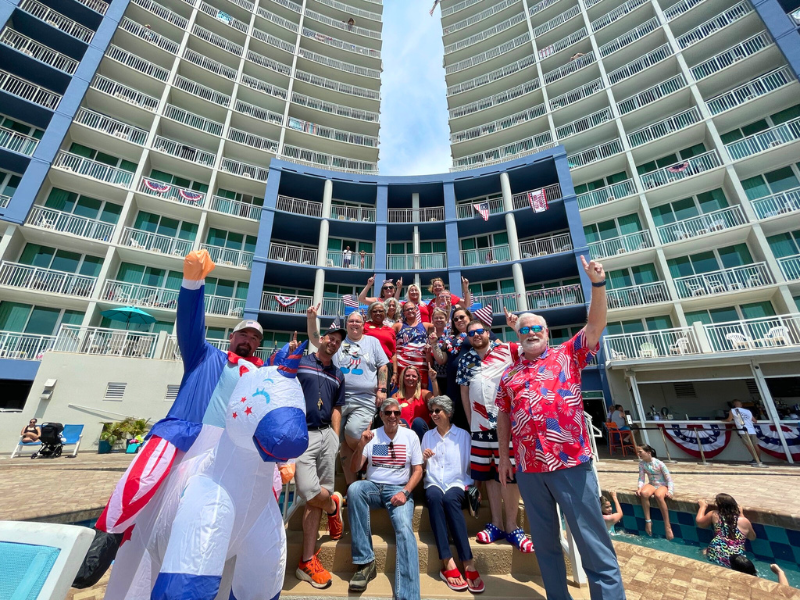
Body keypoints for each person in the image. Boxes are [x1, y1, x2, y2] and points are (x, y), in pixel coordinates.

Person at [86, 250, 272, 583]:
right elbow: (189, 321)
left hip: (227, 452)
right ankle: (107, 540)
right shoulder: (205, 355)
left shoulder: (260, 376)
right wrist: (193, 282)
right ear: (232, 336)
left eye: (255, 337)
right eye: (243, 333)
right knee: (144, 484)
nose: (248, 339)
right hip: (186, 437)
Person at [497, 255, 627, 599]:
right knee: (545, 546)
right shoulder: (509, 374)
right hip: (529, 469)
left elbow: (595, 326)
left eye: (536, 328)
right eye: (523, 329)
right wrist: (505, 458)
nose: (530, 333)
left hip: (571, 464)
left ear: (547, 332)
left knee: (593, 544)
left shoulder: (567, 354)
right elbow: (504, 416)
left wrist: (597, 285)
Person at [457, 319, 531, 553]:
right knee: (489, 475)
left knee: (508, 475)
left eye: (480, 331)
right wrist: (471, 424)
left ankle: (512, 526)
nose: (476, 335)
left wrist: (516, 327)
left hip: (505, 425)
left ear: (488, 332)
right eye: (471, 333)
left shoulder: (507, 350)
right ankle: (497, 524)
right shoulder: (465, 359)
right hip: (479, 428)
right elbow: (464, 391)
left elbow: (530, 347)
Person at [348, 399, 423, 599]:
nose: (392, 416)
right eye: (388, 413)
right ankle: (365, 562)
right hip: (373, 487)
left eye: (396, 413)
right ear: (381, 415)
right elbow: (355, 468)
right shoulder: (372, 437)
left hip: (398, 489)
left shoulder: (410, 436)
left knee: (405, 529)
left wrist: (406, 492)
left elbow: (418, 470)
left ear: (400, 416)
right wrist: (361, 444)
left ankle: (407, 595)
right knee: (355, 488)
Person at [307, 306, 388, 486]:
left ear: (363, 324)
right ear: (347, 324)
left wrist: (382, 389)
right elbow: (314, 338)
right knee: (335, 440)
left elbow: (383, 366)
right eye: (351, 321)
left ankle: (366, 462)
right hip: (337, 398)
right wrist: (312, 319)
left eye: (358, 321)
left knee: (352, 432)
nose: (354, 324)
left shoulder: (372, 342)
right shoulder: (338, 342)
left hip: (364, 399)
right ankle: (353, 486)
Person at [294, 325, 347, 589]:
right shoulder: (301, 362)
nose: (333, 343)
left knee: (318, 494)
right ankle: (333, 507)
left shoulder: (338, 374)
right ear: (321, 338)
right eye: (331, 338)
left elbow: (337, 407)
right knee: (308, 490)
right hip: (303, 433)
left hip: (327, 433)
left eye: (338, 342)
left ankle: (306, 561)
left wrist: (336, 437)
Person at [421, 395, 484, 593]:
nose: (433, 414)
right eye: (432, 411)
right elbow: (420, 468)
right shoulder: (427, 436)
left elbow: (472, 466)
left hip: (457, 483)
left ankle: (468, 562)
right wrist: (423, 459)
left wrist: (476, 489)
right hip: (433, 482)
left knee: (449, 499)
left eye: (438, 411)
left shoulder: (463, 436)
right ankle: (447, 561)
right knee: (434, 497)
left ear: (448, 413)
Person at [696, 494, 755, 568]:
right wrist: (742, 515)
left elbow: (700, 523)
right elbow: (752, 537)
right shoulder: (744, 521)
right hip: (736, 559)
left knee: (704, 551)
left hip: (715, 551)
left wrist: (702, 507)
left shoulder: (714, 514)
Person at [636, 444, 675, 539]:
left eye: (640, 452)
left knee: (658, 495)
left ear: (648, 453)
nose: (638, 454)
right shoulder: (642, 464)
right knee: (644, 493)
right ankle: (648, 521)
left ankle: (667, 526)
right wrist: (639, 488)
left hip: (662, 484)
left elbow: (669, 479)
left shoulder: (659, 463)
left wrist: (670, 491)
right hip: (652, 484)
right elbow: (641, 478)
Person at [393, 301, 434, 389]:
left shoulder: (426, 326)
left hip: (421, 366)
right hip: (403, 366)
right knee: (403, 394)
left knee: (421, 394)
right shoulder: (398, 326)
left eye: (412, 308)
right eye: (407, 309)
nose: (410, 311)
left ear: (416, 310)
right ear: (404, 313)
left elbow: (442, 324)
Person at [393, 365, 438, 440]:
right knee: (401, 422)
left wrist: (433, 380)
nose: (410, 378)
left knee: (418, 422)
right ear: (403, 378)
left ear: (418, 379)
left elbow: (438, 403)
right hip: (404, 436)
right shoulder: (396, 397)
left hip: (422, 435)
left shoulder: (424, 394)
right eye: (407, 375)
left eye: (414, 376)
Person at [724, 400, 765, 467]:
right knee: (755, 445)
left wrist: (723, 420)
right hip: (752, 430)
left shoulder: (733, 410)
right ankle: (759, 459)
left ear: (734, 405)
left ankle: (755, 459)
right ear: (741, 405)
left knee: (748, 445)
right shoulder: (748, 411)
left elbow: (729, 420)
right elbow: (755, 421)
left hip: (743, 430)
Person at [364, 301, 396, 370]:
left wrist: (395, 373)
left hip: (387, 365)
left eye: (380, 311)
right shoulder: (364, 326)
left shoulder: (391, 330)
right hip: (369, 365)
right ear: (370, 313)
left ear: (385, 313)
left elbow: (393, 353)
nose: (378, 313)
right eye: (375, 311)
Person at [428, 307, 450, 396]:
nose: (438, 320)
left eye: (441, 318)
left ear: (446, 320)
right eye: (436, 318)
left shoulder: (450, 334)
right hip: (437, 375)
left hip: (450, 375)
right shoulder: (429, 335)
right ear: (432, 320)